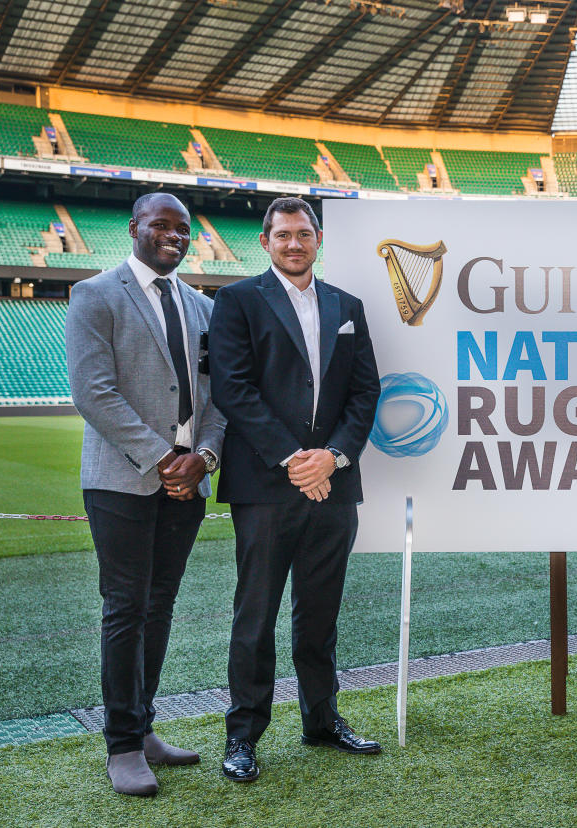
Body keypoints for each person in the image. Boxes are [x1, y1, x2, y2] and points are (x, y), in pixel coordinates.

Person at [209, 197, 381, 782]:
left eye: (303, 234)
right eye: (282, 234)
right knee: (255, 615)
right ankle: (243, 735)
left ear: (318, 240)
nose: (293, 243)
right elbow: (233, 390)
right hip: (265, 486)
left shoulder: (347, 306)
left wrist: (331, 457)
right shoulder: (234, 301)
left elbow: (365, 393)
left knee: (320, 612)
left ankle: (321, 720)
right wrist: (294, 460)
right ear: (265, 241)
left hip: (335, 483)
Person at [65, 192, 225, 797]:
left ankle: (146, 725)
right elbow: (94, 391)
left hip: (187, 480)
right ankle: (123, 745)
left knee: (159, 608)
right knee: (126, 607)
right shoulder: (95, 295)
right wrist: (164, 459)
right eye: (162, 225)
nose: (175, 237)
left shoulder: (203, 308)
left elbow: (219, 397)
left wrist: (202, 458)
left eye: (183, 229)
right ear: (134, 229)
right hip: (123, 479)